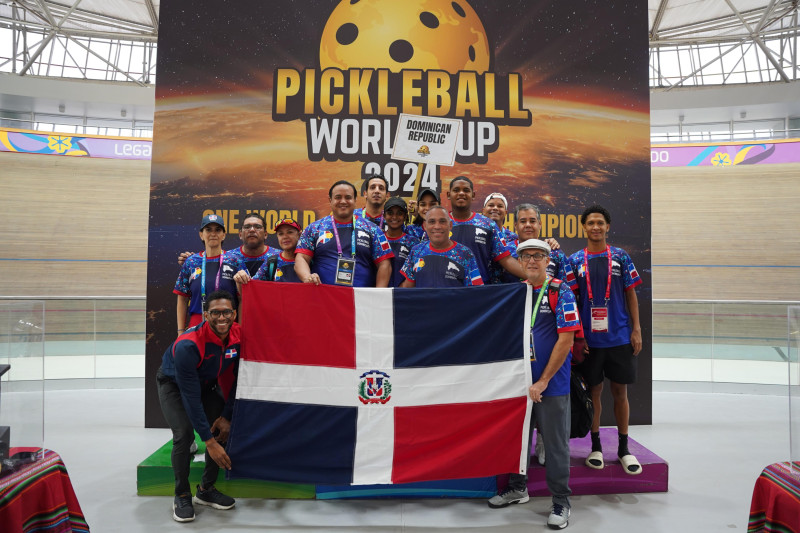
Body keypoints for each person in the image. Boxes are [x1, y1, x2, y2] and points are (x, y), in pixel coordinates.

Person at [488, 239, 579, 530]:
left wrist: (543, 380)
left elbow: (566, 340)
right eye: (525, 256)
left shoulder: (559, 291)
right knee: (518, 440)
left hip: (550, 385)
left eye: (538, 256)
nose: (531, 261)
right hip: (519, 384)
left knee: (554, 445)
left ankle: (561, 502)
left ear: (547, 260)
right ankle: (518, 489)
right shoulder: (517, 292)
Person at [568, 205, 643, 475]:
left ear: (608, 226)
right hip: (590, 341)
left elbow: (631, 294)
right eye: (591, 223)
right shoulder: (574, 260)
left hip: (620, 337)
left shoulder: (621, 257)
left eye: (600, 222)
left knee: (620, 393)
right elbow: (572, 301)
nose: (596, 227)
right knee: (594, 393)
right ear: (584, 227)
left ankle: (624, 449)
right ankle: (595, 447)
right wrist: (578, 336)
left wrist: (636, 329)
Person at [156, 290, 240, 523]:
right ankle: (182, 494)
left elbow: (240, 379)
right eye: (215, 313)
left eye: (226, 312)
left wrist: (226, 415)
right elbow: (190, 398)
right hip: (174, 384)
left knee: (220, 427)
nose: (221, 318)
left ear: (234, 313)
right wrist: (208, 443)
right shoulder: (188, 345)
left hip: (206, 385)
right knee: (183, 434)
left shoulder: (238, 336)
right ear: (205, 314)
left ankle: (205, 490)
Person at [295, 180, 394, 287]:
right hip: (323, 297)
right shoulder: (314, 228)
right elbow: (301, 258)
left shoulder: (373, 229)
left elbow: (384, 264)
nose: (343, 201)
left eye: (348, 197)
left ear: (355, 199)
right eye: (338, 197)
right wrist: (307, 277)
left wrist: (379, 294)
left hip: (360, 299)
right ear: (330, 200)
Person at [446, 176, 525, 284]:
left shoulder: (488, 225)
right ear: (448, 195)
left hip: (480, 292)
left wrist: (540, 278)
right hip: (447, 290)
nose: (461, 193)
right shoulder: (440, 223)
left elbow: (506, 259)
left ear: (473, 195)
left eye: (466, 190)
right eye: (456, 190)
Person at [173, 214, 244, 334]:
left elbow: (242, 298)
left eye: (218, 230)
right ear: (201, 235)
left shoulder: (235, 261)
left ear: (223, 235)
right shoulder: (191, 262)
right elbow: (182, 298)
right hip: (197, 324)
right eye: (208, 229)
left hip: (227, 324)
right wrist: (180, 331)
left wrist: (240, 328)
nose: (213, 233)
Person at [400, 205, 483, 288]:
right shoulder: (416, 251)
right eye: (432, 222)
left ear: (450, 225)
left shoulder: (465, 254)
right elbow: (407, 289)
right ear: (425, 226)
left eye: (442, 221)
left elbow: (476, 292)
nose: (437, 227)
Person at [177, 213, 278, 276]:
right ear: (240, 235)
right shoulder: (229, 258)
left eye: (257, 227)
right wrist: (191, 262)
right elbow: (208, 267)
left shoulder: (278, 257)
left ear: (265, 234)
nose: (252, 230)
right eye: (247, 227)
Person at [234, 218, 303, 289]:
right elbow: (252, 288)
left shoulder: (309, 260)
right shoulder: (272, 262)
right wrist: (240, 280)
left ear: (300, 235)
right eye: (281, 234)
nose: (285, 237)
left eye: (290, 232)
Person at [382, 197, 420, 287]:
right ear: (384, 216)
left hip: (404, 294)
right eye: (390, 213)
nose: (394, 217)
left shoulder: (413, 242)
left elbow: (416, 272)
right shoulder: (378, 239)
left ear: (405, 216)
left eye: (399, 213)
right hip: (379, 294)